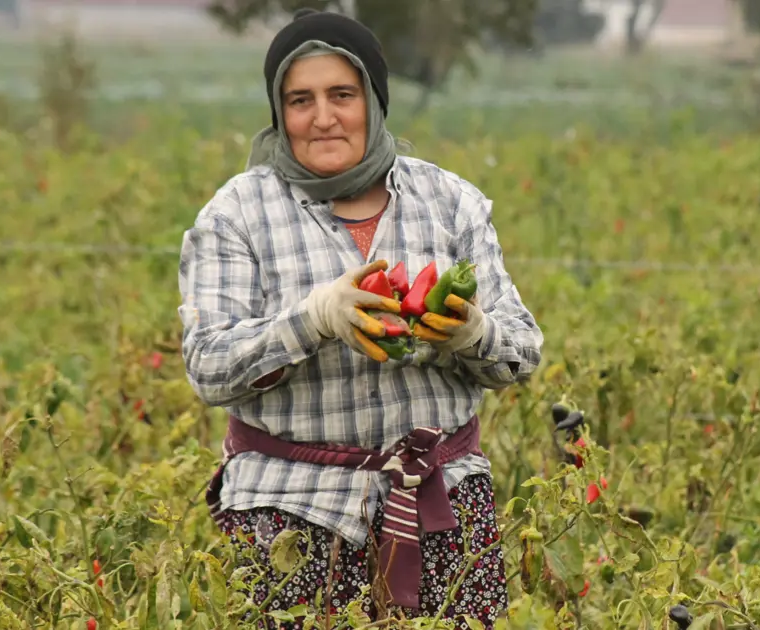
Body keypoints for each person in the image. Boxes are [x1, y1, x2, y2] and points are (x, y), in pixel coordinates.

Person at [176, 8, 543, 629]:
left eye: (341, 94)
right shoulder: (236, 214)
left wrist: (470, 333)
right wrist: (313, 320)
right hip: (293, 515)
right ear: (278, 112)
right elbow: (208, 367)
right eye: (300, 100)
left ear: (374, 101)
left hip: (443, 506)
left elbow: (522, 351)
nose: (322, 117)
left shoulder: (450, 202)